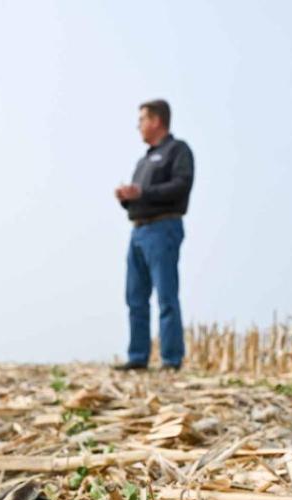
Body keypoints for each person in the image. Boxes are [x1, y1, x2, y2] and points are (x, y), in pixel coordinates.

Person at [113, 99, 194, 371]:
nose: (138, 126)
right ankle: (138, 356)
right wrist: (127, 199)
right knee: (135, 297)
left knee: (166, 296)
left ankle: (171, 359)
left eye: (142, 120)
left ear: (156, 120)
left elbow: (181, 186)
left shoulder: (177, 151)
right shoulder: (144, 160)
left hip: (163, 228)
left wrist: (143, 193)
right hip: (138, 230)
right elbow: (141, 196)